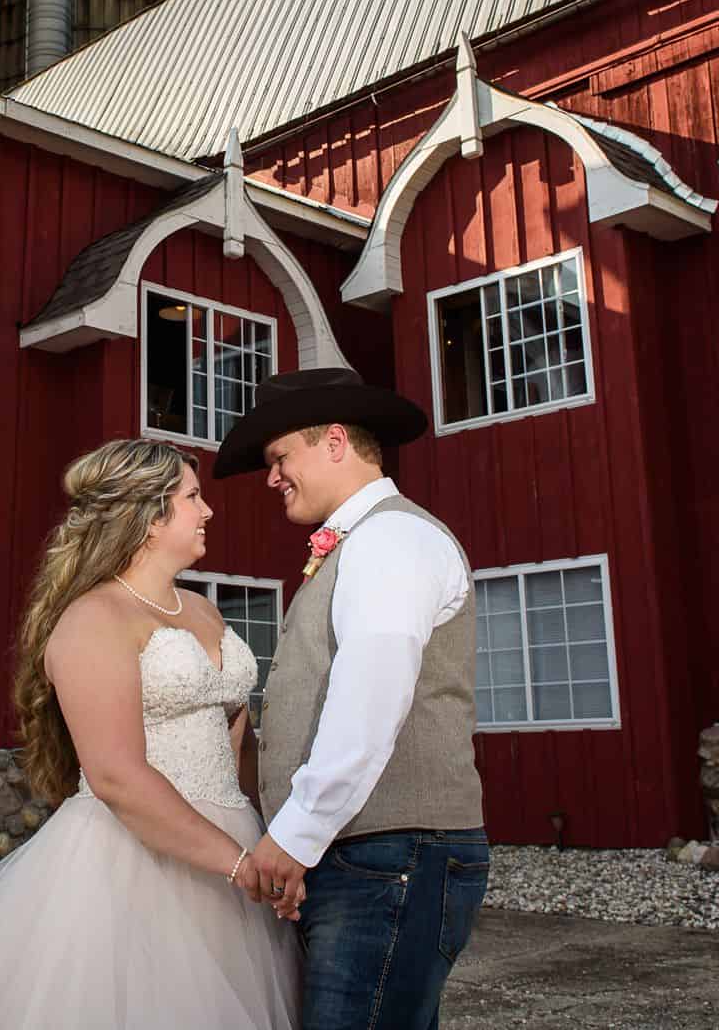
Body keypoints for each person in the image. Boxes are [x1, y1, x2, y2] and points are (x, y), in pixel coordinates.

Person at [0, 439, 300, 1029]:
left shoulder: (204, 611)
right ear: (148, 515)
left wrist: (269, 834)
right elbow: (114, 774)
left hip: (234, 836)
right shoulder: (94, 619)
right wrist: (237, 864)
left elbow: (235, 724)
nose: (207, 511)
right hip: (132, 860)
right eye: (193, 497)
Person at [212, 367, 489, 1030]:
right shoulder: (366, 542)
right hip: (370, 854)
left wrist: (296, 836)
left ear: (335, 440)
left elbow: (371, 698)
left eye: (280, 457)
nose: (271, 476)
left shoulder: (392, 538)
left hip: (392, 855)